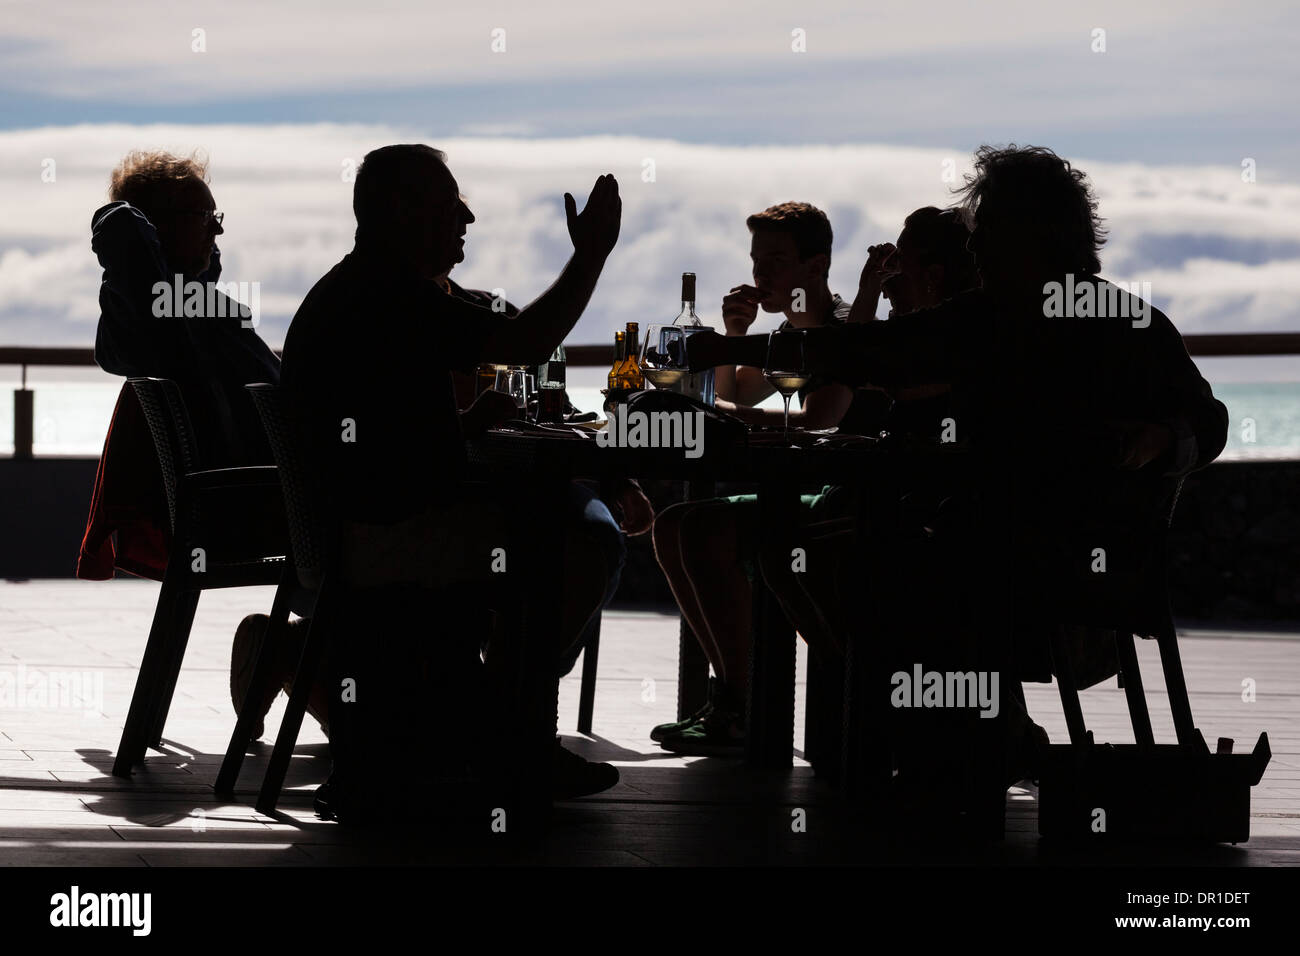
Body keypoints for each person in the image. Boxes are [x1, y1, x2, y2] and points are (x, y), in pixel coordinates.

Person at [687, 145, 1229, 790]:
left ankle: (926, 732)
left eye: (990, 226)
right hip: (1003, 545)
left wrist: (1158, 439)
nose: (976, 246)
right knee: (845, 556)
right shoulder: (1007, 315)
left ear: (1037, 234)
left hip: (1059, 561)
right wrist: (737, 346)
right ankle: (950, 729)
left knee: (835, 561)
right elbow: (873, 350)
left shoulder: (1093, 321)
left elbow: (1209, 421)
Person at [280, 144, 624, 804]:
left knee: (558, 520)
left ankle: (479, 727)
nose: (466, 217)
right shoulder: (390, 291)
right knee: (582, 541)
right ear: (397, 211)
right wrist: (591, 254)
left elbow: (381, 429)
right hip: (384, 533)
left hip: (344, 530)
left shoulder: (358, 289)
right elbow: (523, 344)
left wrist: (465, 426)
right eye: (448, 206)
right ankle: (513, 740)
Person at [90, 151, 309, 740]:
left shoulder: (197, 311)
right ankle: (313, 663)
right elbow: (122, 230)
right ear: (159, 228)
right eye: (203, 216)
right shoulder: (160, 318)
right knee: (400, 518)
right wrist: (131, 219)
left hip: (264, 493)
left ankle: (299, 654)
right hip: (255, 504)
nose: (217, 231)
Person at [649, 202, 869, 756]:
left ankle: (741, 706)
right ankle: (734, 698)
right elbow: (738, 394)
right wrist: (733, 333)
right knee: (674, 523)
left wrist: (721, 415)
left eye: (776, 259)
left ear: (816, 265)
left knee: (704, 531)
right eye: (756, 260)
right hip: (805, 490)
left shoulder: (845, 330)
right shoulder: (782, 333)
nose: (760, 274)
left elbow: (820, 418)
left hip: (851, 498)